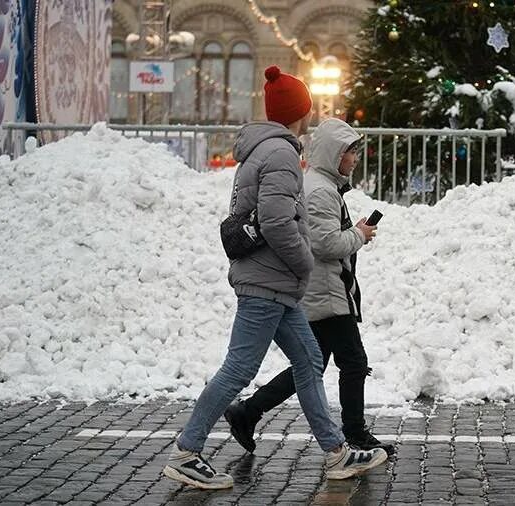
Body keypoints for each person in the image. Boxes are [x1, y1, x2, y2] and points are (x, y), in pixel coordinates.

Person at [161, 66, 386, 490]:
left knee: (309, 361)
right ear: (300, 112)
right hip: (269, 282)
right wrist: (303, 262)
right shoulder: (280, 153)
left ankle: (336, 452)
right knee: (239, 369)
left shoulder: (262, 150)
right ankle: (186, 451)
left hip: (275, 284)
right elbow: (278, 222)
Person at [223, 117, 395, 456]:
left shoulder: (321, 185)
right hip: (326, 294)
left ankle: (247, 412)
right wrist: (359, 234)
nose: (355, 159)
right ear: (334, 153)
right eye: (350, 152)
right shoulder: (320, 191)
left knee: (311, 364)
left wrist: (354, 232)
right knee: (353, 362)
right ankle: (355, 434)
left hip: (323, 291)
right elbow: (325, 244)